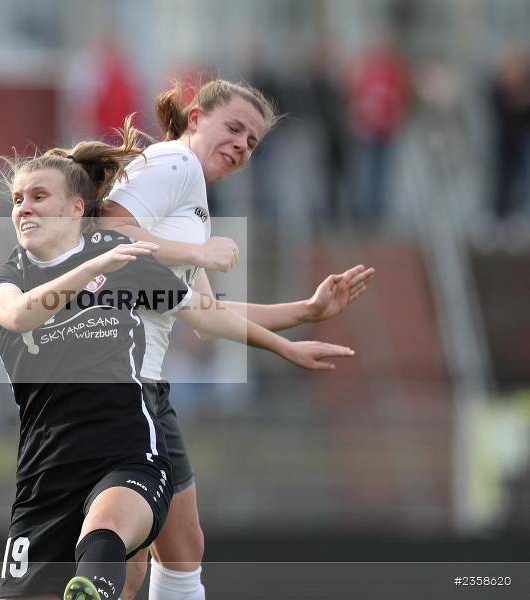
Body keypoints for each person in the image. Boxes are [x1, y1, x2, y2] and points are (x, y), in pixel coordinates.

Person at [0, 119, 357, 600]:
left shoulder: (120, 257)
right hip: (45, 470)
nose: (24, 208)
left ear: (77, 207)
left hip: (128, 450)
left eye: (37, 196)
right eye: (17, 200)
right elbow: (17, 315)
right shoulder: (6, 276)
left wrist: (296, 327)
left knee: (111, 529)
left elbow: (208, 314)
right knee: (127, 576)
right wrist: (92, 269)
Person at [100, 80, 376, 600]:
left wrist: (306, 316)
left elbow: (206, 315)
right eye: (234, 128)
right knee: (132, 559)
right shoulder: (174, 165)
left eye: (252, 142)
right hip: (125, 387)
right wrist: (202, 256)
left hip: (141, 388)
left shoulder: (191, 197)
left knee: (179, 549)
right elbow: (105, 231)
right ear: (196, 118)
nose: (242, 146)